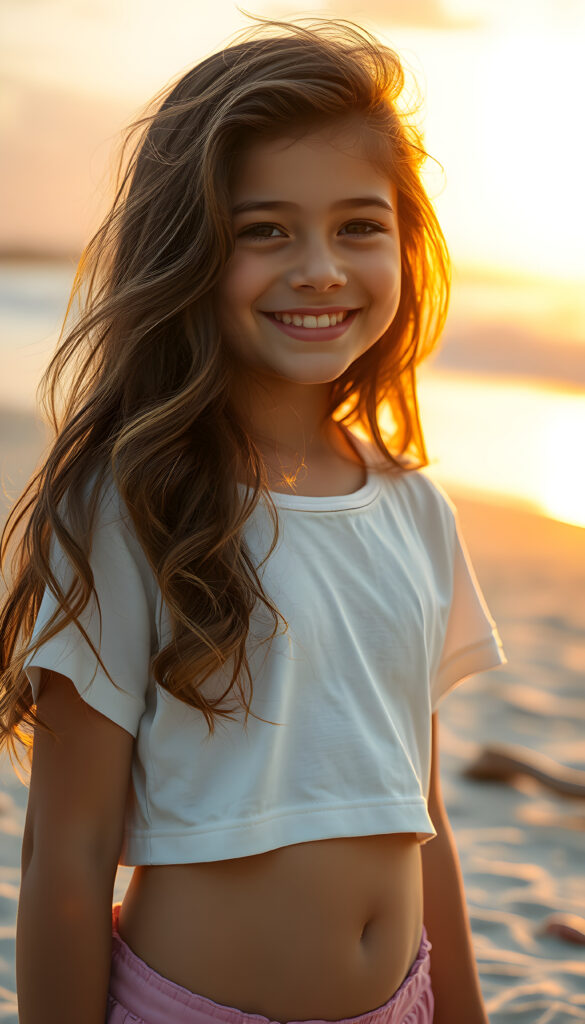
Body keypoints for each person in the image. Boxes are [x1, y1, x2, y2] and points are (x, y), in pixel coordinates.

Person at [1, 14, 508, 1024]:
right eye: (264, 229)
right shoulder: (128, 502)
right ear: (188, 251)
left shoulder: (417, 509)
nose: (320, 267)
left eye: (359, 226)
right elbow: (67, 857)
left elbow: (427, 817)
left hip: (402, 998)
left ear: (406, 243)